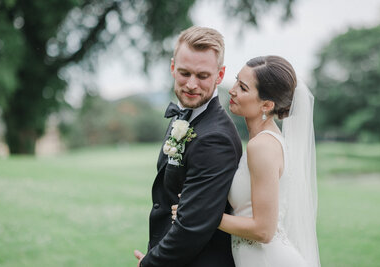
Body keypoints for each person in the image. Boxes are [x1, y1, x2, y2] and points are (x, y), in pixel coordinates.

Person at [172, 56, 321, 266]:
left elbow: (263, 230)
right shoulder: (263, 141)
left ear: (266, 105)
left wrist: (196, 213)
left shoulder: (262, 146)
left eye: (243, 88)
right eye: (236, 81)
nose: (232, 90)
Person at [134, 26, 242, 267]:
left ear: (220, 75)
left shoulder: (216, 139)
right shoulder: (182, 116)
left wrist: (149, 264)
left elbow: (193, 226)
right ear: (173, 67)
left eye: (203, 76)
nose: (192, 84)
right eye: (184, 73)